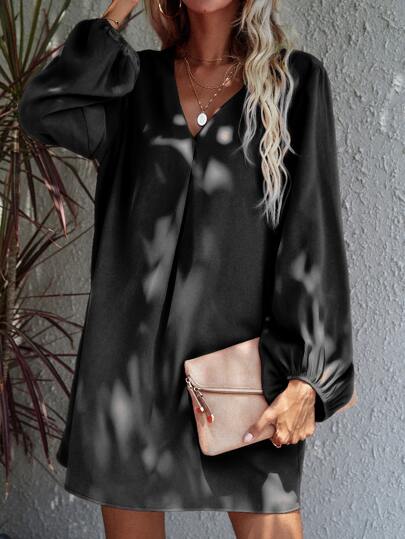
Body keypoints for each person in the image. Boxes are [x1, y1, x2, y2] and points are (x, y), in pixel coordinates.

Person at [18, 0, 355, 537]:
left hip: (240, 374)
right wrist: (119, 9)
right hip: (127, 376)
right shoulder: (134, 84)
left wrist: (310, 377)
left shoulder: (292, 82)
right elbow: (43, 109)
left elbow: (312, 235)